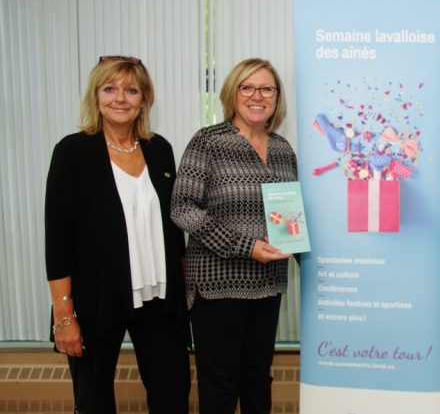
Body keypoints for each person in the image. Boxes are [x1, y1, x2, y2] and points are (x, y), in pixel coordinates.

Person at [45, 55, 191, 413]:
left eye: (131, 90)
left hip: (159, 298)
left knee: (173, 394)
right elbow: (57, 240)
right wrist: (65, 318)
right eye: (110, 89)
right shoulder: (72, 152)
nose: (120, 98)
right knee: (93, 401)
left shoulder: (160, 150)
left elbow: (173, 229)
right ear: (96, 96)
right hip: (97, 300)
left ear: (144, 98)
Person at [171, 58, 296, 414]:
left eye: (266, 88)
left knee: (258, 380)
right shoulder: (208, 142)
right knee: (220, 388)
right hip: (217, 286)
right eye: (248, 87)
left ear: (276, 97)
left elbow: (290, 215)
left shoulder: (284, 149)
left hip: (268, 285)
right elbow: (182, 208)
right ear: (233, 93)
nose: (257, 96)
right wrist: (245, 246)